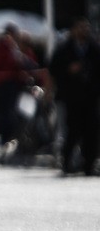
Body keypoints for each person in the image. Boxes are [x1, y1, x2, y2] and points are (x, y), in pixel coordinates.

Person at [48, 16, 100, 176]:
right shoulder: (64, 48)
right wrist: (68, 70)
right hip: (70, 97)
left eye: (86, 27)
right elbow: (52, 70)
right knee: (71, 131)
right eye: (80, 27)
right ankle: (67, 162)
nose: (83, 31)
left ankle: (89, 164)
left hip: (91, 97)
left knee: (91, 132)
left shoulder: (93, 48)